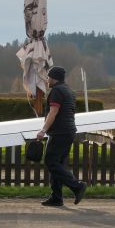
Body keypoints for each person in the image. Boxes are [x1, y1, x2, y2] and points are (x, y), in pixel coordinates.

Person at [36, 66, 87, 206]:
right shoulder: (68, 90)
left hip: (60, 132)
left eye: (48, 77)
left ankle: (77, 186)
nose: (47, 80)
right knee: (57, 164)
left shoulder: (57, 91)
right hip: (68, 131)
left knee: (50, 161)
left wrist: (43, 130)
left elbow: (53, 112)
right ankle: (57, 198)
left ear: (54, 78)